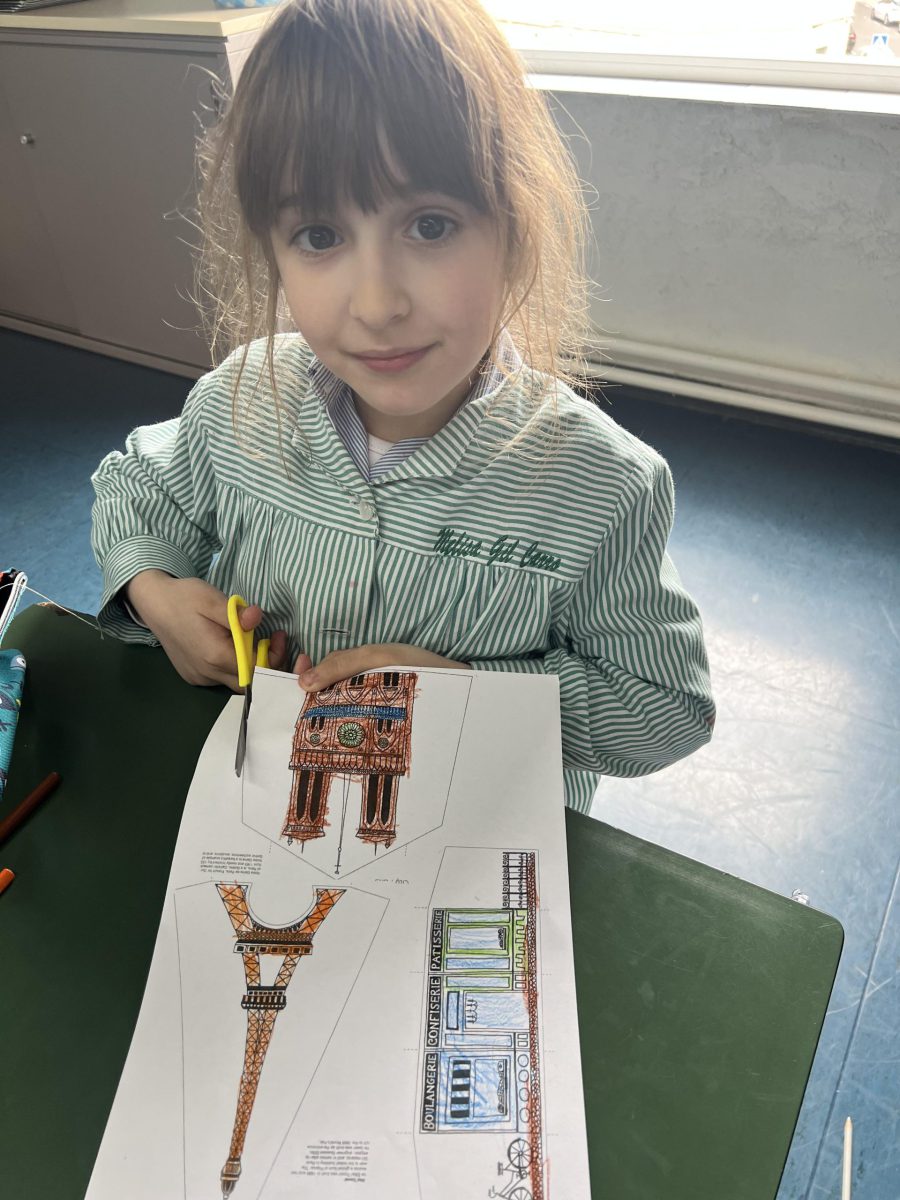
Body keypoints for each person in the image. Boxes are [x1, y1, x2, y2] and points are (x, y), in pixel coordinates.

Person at [91, 0, 715, 813]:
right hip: (267, 806)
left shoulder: (602, 486)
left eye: (430, 224)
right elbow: (134, 489)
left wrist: (468, 692)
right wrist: (154, 590)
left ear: (515, 226)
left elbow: (666, 709)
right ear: (272, 250)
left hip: (473, 823)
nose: (377, 304)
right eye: (320, 236)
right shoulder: (241, 403)